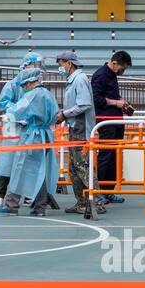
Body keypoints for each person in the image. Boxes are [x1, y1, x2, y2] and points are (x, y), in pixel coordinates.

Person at [0, 68, 60, 216]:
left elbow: (16, 110)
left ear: (29, 82)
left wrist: (8, 115)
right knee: (41, 171)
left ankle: (11, 204)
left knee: (19, 168)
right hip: (46, 135)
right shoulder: (48, 94)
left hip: (32, 136)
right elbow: (55, 115)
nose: (23, 88)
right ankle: (40, 207)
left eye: (24, 85)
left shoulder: (32, 95)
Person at [0, 53, 43, 210]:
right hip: (14, 126)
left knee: (29, 160)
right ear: (26, 64)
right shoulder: (13, 84)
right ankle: (0, 194)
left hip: (30, 127)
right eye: (35, 64)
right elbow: (3, 103)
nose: (37, 68)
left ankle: (28, 194)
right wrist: (16, 114)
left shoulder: (38, 86)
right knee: (9, 160)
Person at [56, 51, 102, 218]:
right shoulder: (73, 80)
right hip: (74, 126)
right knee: (74, 168)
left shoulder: (80, 80)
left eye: (61, 64)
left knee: (83, 165)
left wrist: (65, 114)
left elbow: (84, 104)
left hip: (81, 128)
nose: (60, 68)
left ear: (69, 63)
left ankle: (96, 201)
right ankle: (82, 202)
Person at [90, 49, 134, 204]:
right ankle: (100, 191)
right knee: (105, 156)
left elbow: (111, 96)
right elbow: (96, 99)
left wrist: (122, 103)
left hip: (116, 121)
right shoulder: (100, 75)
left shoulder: (112, 75)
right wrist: (116, 103)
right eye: (123, 68)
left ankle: (109, 191)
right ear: (115, 63)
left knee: (115, 156)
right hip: (106, 122)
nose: (123, 71)